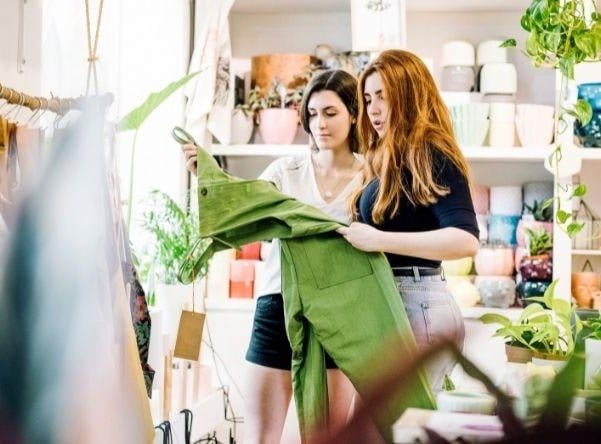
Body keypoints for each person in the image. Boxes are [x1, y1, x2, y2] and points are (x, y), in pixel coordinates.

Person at [182, 70, 364, 443]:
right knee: (260, 438)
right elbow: (244, 204)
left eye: (330, 113)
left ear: (353, 114)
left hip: (339, 314)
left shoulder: (372, 176)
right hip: (277, 305)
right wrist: (208, 176)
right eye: (312, 115)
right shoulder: (287, 170)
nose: (319, 124)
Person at [337, 49, 480, 392]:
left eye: (382, 97)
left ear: (409, 93)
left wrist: (380, 240)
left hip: (419, 305)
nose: (372, 109)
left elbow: (466, 239)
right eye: (368, 98)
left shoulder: (431, 152)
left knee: (398, 428)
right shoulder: (388, 157)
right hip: (395, 302)